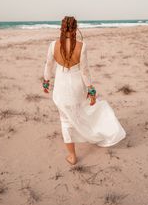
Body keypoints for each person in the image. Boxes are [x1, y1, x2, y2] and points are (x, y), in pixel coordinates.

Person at [42, 16, 126, 165]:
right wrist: (91, 90)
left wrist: (46, 81)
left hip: (61, 88)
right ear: (75, 28)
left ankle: (72, 156)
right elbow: (85, 71)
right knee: (82, 111)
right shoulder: (82, 46)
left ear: (61, 28)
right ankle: (93, 132)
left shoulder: (53, 45)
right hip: (76, 86)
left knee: (65, 120)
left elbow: (49, 65)